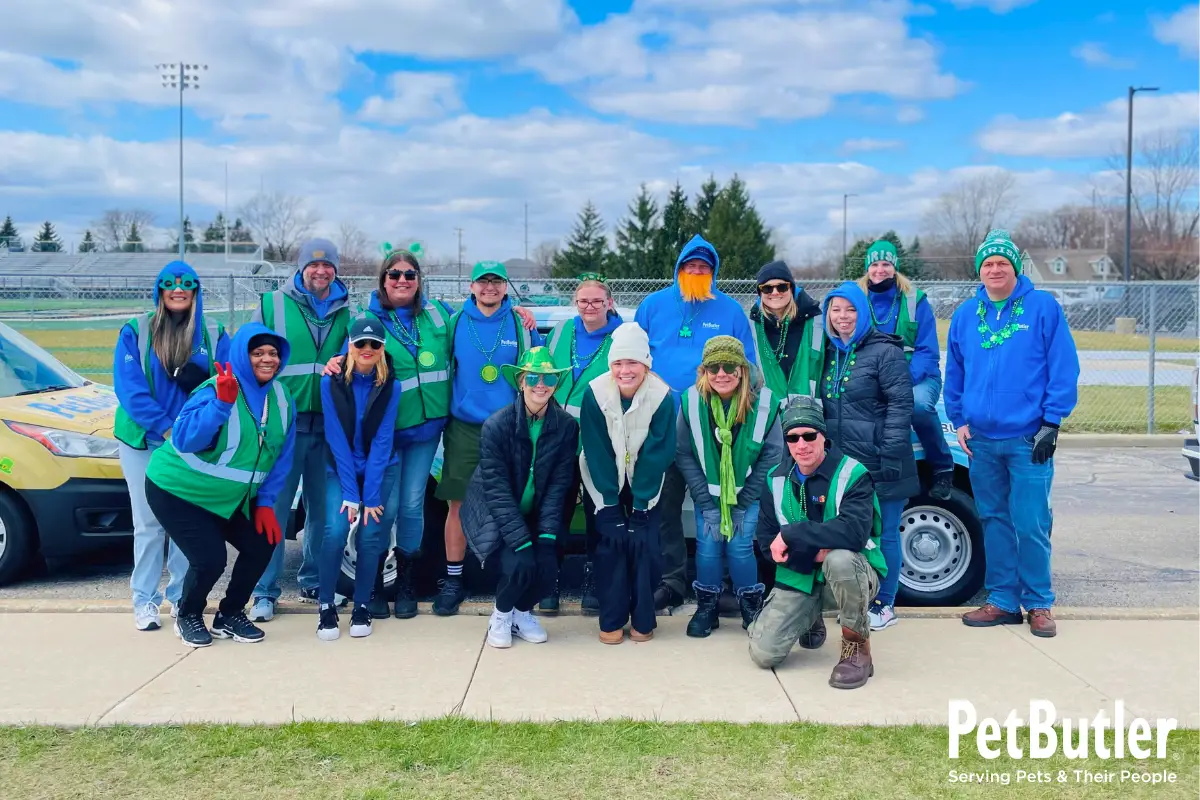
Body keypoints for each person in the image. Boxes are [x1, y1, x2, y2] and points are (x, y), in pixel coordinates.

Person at [945, 229, 1079, 639]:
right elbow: (956, 371)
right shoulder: (967, 314)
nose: (995, 269)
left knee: (1031, 521)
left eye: (1002, 263)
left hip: (1027, 439)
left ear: (1015, 268)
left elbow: (1063, 366)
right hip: (982, 440)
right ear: (979, 271)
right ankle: (1002, 600)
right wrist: (959, 419)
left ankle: (1039, 602)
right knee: (993, 519)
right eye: (988, 264)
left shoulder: (1042, 308)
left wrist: (1052, 422)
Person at [143, 323, 295, 648]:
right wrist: (221, 406)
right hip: (179, 490)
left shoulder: (281, 398)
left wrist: (266, 503)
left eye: (273, 353)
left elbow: (281, 457)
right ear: (243, 355)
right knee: (210, 559)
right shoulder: (217, 388)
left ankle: (230, 614)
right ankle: (188, 614)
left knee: (262, 544)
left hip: (228, 496)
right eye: (258, 353)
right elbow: (184, 439)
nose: (267, 359)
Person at [634, 234, 757, 612]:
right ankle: (671, 581)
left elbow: (748, 367)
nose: (697, 271)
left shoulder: (730, 311)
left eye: (705, 267)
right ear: (679, 269)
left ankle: (719, 586)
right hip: (663, 426)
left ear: (714, 271)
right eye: (691, 266)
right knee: (666, 506)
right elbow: (633, 360)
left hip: (718, 432)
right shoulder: (653, 306)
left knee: (720, 504)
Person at [113, 260, 230, 631]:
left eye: (186, 285)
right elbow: (130, 389)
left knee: (185, 525)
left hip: (189, 443)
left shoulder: (212, 330)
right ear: (160, 290)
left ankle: (180, 597)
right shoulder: (137, 330)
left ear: (195, 290)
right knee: (148, 523)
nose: (178, 290)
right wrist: (165, 427)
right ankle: (144, 600)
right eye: (170, 284)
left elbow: (226, 380)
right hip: (145, 440)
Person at [345, 247, 455, 620]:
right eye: (395, 274)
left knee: (411, 507)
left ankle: (406, 583)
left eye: (410, 274)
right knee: (383, 508)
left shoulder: (438, 315)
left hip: (426, 431)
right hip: (385, 435)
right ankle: (373, 582)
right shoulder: (368, 320)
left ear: (419, 280)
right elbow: (348, 359)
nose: (403, 280)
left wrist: (518, 314)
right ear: (383, 280)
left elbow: (476, 325)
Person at [748, 396, 886, 690]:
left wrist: (792, 535)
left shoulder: (853, 474)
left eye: (810, 435)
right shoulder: (774, 479)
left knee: (839, 559)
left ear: (824, 436)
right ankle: (810, 618)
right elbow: (765, 543)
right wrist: (815, 550)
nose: (802, 444)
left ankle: (856, 649)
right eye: (793, 437)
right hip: (801, 576)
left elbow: (853, 535)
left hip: (854, 575)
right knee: (764, 654)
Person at [250, 238, 351, 621]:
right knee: (273, 511)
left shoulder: (346, 311)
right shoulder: (272, 305)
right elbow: (249, 358)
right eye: (313, 266)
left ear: (336, 271)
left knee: (322, 512)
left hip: (327, 426)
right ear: (301, 268)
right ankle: (264, 591)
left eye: (328, 267)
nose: (321, 272)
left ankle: (312, 580)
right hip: (283, 426)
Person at [434, 261, 542, 616]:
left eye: (497, 282)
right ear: (472, 286)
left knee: (514, 504)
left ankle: (511, 579)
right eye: (483, 282)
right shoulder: (455, 323)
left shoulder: (520, 325)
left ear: (506, 287)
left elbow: (537, 372)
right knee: (458, 505)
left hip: (510, 425)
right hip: (465, 426)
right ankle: (453, 580)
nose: (490, 288)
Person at [816, 281, 917, 635]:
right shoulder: (827, 353)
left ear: (864, 312)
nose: (842, 317)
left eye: (850, 309)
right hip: (845, 466)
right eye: (835, 309)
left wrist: (888, 452)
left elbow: (901, 404)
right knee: (856, 534)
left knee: (886, 533)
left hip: (883, 459)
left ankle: (885, 603)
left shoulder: (884, 352)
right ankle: (858, 597)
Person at [461, 347, 578, 648]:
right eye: (534, 377)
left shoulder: (566, 426)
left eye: (549, 379)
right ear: (521, 382)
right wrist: (522, 540)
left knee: (547, 564)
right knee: (519, 564)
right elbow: (496, 490)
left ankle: (522, 612)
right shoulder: (496, 425)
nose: (541, 385)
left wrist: (547, 536)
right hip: (500, 512)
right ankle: (501, 614)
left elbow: (559, 485)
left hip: (539, 512)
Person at [676, 336, 783, 637]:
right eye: (714, 367)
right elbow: (683, 452)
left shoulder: (765, 403)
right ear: (704, 371)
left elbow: (772, 454)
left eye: (729, 366)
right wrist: (705, 501)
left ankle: (751, 606)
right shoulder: (691, 401)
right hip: (707, 495)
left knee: (739, 548)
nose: (721, 374)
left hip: (746, 495)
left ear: (742, 369)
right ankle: (707, 607)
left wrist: (746, 499)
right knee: (708, 548)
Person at [578, 322, 676, 644]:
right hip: (603, 480)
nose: (625, 370)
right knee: (611, 546)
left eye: (633, 362)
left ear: (646, 364)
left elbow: (657, 452)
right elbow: (596, 449)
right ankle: (612, 618)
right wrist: (608, 504)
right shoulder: (595, 393)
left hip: (644, 483)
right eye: (618, 363)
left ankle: (643, 620)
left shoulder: (662, 396)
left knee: (644, 546)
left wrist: (640, 506)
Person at [541, 272, 623, 614]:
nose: (589, 307)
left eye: (596, 301)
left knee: (596, 512)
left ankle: (593, 580)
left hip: (597, 437)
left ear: (609, 303)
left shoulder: (621, 337)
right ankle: (548, 583)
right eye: (583, 301)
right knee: (554, 512)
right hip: (557, 436)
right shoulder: (561, 331)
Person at [316, 316, 401, 641]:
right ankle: (326, 607)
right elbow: (336, 439)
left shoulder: (392, 385)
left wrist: (372, 496)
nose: (367, 349)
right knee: (336, 531)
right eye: (360, 343)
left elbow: (383, 442)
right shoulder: (331, 382)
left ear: (382, 349)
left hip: (381, 468)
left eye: (374, 344)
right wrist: (352, 494)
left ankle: (362, 606)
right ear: (350, 346)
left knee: (370, 535)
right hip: (340, 467)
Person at [857, 241, 955, 500]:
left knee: (919, 406)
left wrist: (901, 380)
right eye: (875, 264)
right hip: (875, 374)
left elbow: (927, 350)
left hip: (917, 375)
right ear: (868, 268)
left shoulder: (915, 299)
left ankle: (942, 466)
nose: (880, 269)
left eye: (886, 264)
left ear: (895, 267)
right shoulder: (858, 299)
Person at [749, 260, 824, 405]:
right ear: (760, 293)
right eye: (767, 288)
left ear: (791, 288)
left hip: (810, 414)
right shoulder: (754, 325)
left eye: (782, 287)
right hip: (771, 414)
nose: (775, 293)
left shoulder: (815, 321)